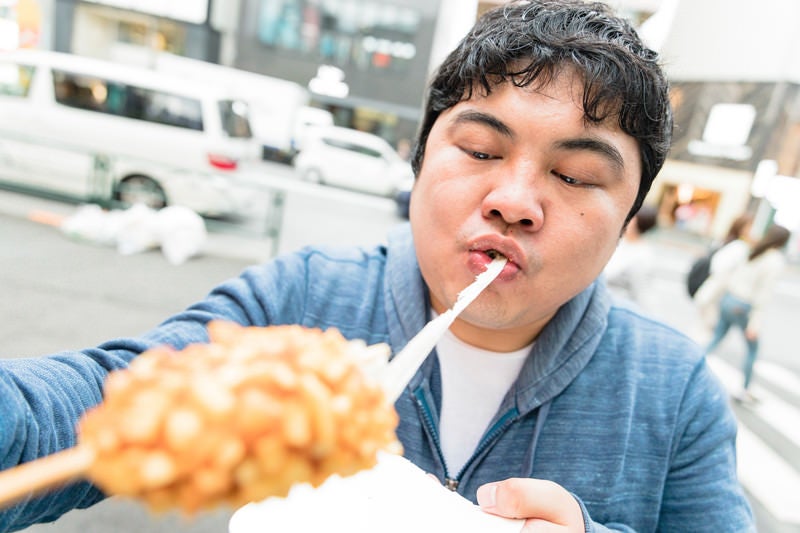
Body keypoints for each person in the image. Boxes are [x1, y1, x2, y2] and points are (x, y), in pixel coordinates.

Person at [0, 1, 754, 532]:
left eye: (577, 175)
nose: (515, 200)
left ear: (627, 223)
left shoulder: (673, 389)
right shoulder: (304, 296)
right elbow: (96, 405)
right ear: (421, 160)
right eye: (482, 151)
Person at [704, 223, 791, 403]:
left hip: (729, 299)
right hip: (743, 306)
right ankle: (744, 389)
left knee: (717, 337)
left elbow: (735, 276)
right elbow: (763, 295)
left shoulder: (754, 250)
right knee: (752, 349)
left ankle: (690, 366)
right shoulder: (774, 260)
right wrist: (754, 323)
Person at [693, 213, 754, 333]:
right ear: (741, 228)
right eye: (749, 227)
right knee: (709, 326)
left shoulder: (724, 241)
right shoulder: (740, 247)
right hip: (720, 289)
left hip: (710, 284)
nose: (750, 231)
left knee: (703, 324)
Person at [602, 203, 659, 308]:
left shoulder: (642, 256)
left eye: (631, 216)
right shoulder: (617, 241)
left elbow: (642, 293)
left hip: (614, 309)